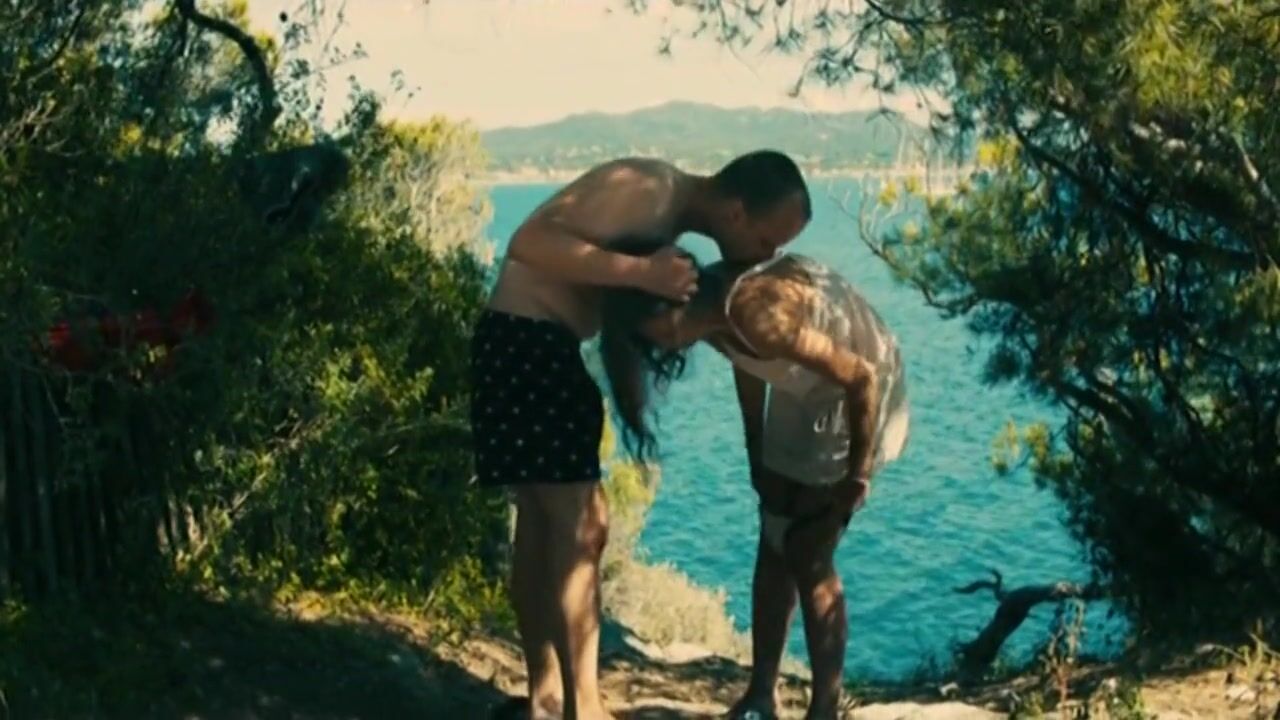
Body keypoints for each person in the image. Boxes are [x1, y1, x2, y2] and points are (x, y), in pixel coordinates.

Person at [470, 152, 812, 720]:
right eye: (766, 241)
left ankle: (546, 698)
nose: (766, 257)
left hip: (522, 345)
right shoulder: (650, 189)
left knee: (542, 525)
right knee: (583, 527)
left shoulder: (665, 212)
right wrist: (640, 273)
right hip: (529, 344)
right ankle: (584, 708)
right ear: (735, 212)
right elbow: (529, 242)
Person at [597, 247, 910, 720]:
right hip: (802, 382)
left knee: (808, 550)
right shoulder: (706, 313)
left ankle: (825, 707)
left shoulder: (755, 312)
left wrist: (857, 475)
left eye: (648, 333)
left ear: (668, 310)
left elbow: (862, 378)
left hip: (859, 389)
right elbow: (749, 362)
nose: (651, 348)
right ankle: (762, 693)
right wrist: (756, 447)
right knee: (773, 536)